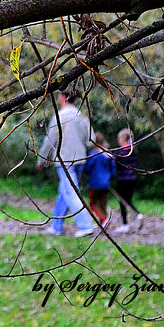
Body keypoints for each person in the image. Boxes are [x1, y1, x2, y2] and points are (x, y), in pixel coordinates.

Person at [37, 90, 96, 237]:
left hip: (65, 160)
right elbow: (91, 140)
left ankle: (86, 226)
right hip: (80, 159)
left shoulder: (59, 116)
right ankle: (56, 226)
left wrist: (41, 159)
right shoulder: (81, 116)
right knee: (65, 192)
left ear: (63, 98)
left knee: (71, 192)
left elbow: (49, 140)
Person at [112, 127, 145, 233]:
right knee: (128, 200)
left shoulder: (121, 151)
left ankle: (125, 224)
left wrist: (111, 157)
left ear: (122, 139)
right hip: (132, 179)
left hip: (123, 180)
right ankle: (138, 215)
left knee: (122, 201)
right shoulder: (133, 150)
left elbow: (116, 163)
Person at [84, 133, 115, 226]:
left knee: (92, 204)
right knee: (103, 204)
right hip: (106, 183)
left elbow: (87, 168)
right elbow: (113, 169)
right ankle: (104, 223)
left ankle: (103, 220)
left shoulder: (93, 154)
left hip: (95, 183)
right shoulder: (108, 154)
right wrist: (108, 177)